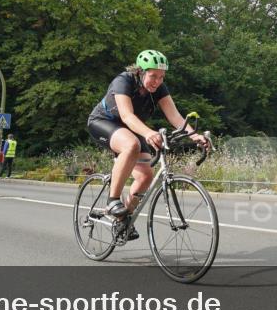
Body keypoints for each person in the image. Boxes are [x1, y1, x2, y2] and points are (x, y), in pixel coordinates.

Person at [87, 50, 208, 241]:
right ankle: (112, 200)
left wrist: (194, 136)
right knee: (131, 144)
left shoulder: (159, 88)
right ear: (140, 72)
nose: (157, 81)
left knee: (146, 176)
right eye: (153, 76)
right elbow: (126, 116)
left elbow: (175, 116)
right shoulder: (124, 81)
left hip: (133, 129)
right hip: (104, 122)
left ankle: (122, 220)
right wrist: (149, 133)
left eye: (161, 77)